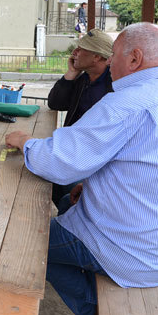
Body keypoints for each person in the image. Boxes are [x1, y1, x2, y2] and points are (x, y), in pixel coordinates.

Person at [6, 23, 158, 315]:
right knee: (63, 205)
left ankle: (93, 309)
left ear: (135, 58)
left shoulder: (126, 104)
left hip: (125, 250)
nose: (110, 62)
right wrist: (94, 185)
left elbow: (58, 163)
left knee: (19, 245)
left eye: (113, 55)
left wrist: (25, 143)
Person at [47, 29, 114, 213]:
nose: (74, 52)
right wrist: (70, 73)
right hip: (72, 153)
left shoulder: (114, 86)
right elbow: (55, 103)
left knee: (66, 197)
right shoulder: (82, 79)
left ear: (97, 57)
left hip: (94, 165)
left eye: (81, 49)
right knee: (43, 179)